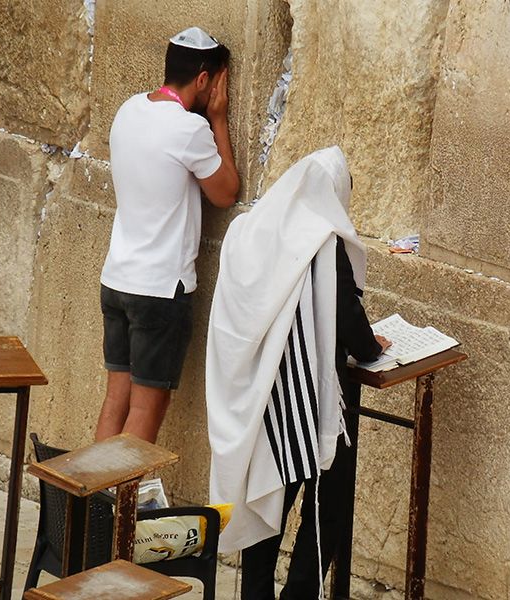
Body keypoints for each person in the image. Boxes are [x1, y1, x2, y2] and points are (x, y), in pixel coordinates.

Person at [205, 147, 390, 599]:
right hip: (312, 398)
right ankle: (302, 592)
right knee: (331, 501)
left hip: (258, 396)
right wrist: (371, 347)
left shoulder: (250, 229)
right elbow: (346, 314)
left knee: (268, 496)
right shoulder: (323, 241)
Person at [96, 27, 240, 443]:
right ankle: (122, 508)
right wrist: (217, 118)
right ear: (203, 79)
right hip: (159, 291)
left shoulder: (128, 110)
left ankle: (92, 508)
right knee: (144, 414)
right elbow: (226, 192)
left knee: (115, 403)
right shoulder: (188, 130)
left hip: (117, 279)